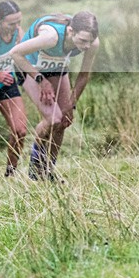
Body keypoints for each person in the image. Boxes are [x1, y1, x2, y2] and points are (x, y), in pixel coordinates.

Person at [9, 11, 100, 180]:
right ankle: (35, 171)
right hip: (28, 67)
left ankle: (48, 170)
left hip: (56, 66)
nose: (86, 46)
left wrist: (71, 104)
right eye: (82, 41)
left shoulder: (91, 43)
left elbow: (84, 75)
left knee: (64, 120)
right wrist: (40, 80)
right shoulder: (51, 37)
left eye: (90, 41)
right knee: (53, 119)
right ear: (70, 31)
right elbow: (15, 54)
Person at [0, 1, 27, 176]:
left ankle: (10, 174)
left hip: (6, 84)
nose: (16, 27)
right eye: (11, 23)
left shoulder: (18, 33)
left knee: (20, 130)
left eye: (18, 22)